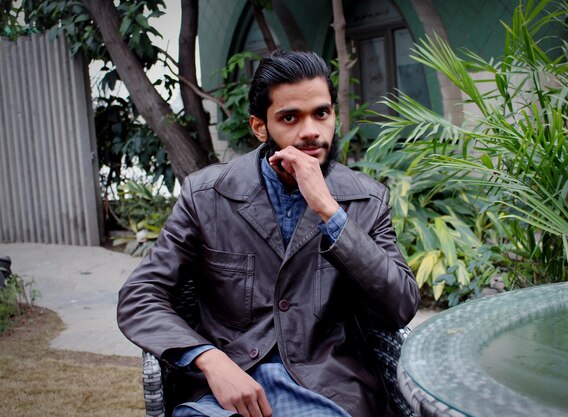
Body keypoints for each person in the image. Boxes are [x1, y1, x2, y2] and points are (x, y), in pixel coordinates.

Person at [117, 50, 420, 417]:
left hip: (325, 388)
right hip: (225, 390)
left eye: (321, 113)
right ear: (260, 127)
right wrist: (210, 360)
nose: (310, 130)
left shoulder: (366, 200)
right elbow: (141, 295)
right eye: (289, 117)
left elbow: (401, 305)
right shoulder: (206, 196)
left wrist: (330, 211)